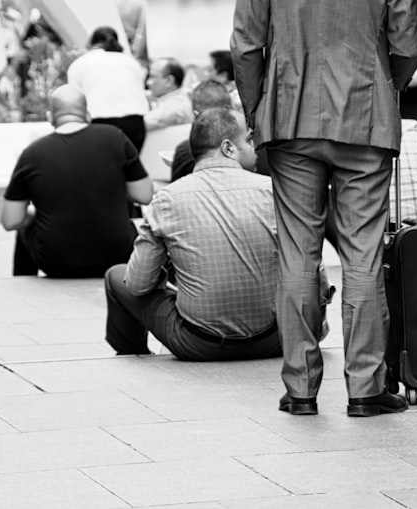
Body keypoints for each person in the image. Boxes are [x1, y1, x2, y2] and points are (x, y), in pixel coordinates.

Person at [231, 0, 417, 417]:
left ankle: (300, 389)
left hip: (289, 120)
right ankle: (366, 389)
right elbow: (410, 42)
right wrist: (384, 87)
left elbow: (246, 44)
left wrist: (256, 110)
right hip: (365, 121)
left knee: (298, 253)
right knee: (363, 254)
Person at [104, 109, 287, 360]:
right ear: (228, 147)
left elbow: (138, 284)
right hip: (276, 340)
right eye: (249, 140)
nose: (255, 148)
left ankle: (134, 353)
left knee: (117, 276)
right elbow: (313, 276)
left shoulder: (167, 199)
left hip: (197, 344)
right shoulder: (273, 191)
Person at [2, 85, 153, 277]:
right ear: (87, 114)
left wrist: (34, 214)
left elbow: (11, 220)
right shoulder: (115, 137)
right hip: (118, 256)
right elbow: (144, 195)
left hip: (56, 261)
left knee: (26, 229)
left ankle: (23, 292)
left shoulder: (32, 153)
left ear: (50, 117)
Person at [67, 26, 150, 151]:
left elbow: (74, 100)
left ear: (91, 43)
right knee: (128, 167)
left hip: (99, 124)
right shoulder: (131, 62)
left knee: (101, 167)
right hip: (135, 124)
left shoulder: (80, 63)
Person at [169, 79, 233, 182]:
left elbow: (174, 190)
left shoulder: (185, 151)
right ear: (230, 111)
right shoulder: (244, 147)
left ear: (196, 115)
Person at [144, 57, 193, 131]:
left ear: (169, 81)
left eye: (152, 77)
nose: (148, 82)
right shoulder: (178, 97)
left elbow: (139, 125)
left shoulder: (175, 106)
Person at [110, 0, 148, 65]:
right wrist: (136, 52)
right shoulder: (141, 1)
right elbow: (142, 29)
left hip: (111, 44)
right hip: (132, 43)